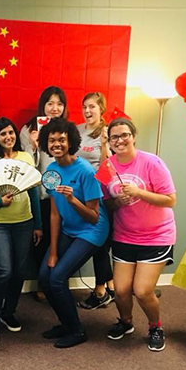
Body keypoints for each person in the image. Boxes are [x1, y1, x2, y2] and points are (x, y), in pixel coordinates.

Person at [102, 118, 176, 352]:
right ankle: (126, 322)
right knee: (121, 290)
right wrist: (118, 201)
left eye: (124, 135)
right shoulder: (106, 167)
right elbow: (107, 203)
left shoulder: (152, 162)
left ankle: (155, 327)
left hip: (156, 236)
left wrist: (139, 193)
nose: (120, 140)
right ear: (109, 142)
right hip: (124, 236)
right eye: (114, 137)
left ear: (133, 136)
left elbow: (170, 200)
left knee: (142, 291)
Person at [37, 118, 109, 348]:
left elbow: (94, 216)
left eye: (61, 139)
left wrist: (73, 200)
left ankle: (77, 331)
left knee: (57, 278)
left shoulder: (85, 171)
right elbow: (54, 214)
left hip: (91, 230)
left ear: (70, 142)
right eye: (52, 140)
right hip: (69, 228)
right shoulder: (51, 171)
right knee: (44, 277)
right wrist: (53, 253)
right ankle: (66, 323)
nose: (56, 144)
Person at [0, 118, 43, 342]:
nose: (8, 137)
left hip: (23, 222)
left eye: (11, 133)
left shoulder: (25, 157)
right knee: (4, 270)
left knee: (19, 271)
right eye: (3, 134)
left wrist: (38, 224)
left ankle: (8, 312)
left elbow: (33, 192)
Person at [19, 86, 69, 303]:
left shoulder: (68, 129)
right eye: (50, 103)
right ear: (43, 106)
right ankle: (42, 283)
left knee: (63, 239)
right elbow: (25, 165)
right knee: (41, 238)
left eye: (59, 104)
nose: (54, 108)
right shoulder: (29, 129)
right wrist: (33, 145)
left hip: (63, 195)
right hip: (40, 194)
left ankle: (60, 280)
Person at [75, 92, 116, 310]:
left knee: (100, 242)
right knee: (97, 241)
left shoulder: (107, 133)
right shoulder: (77, 130)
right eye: (84, 107)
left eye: (92, 106)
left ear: (101, 109)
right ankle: (111, 286)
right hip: (78, 193)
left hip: (100, 193)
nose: (87, 111)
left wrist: (104, 145)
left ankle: (101, 291)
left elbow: (108, 170)